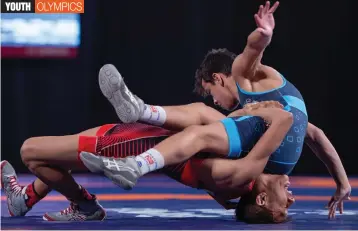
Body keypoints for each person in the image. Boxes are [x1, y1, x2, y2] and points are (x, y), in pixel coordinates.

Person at [85, 0, 351, 220]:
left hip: (264, 154)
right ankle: (140, 115)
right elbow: (315, 136)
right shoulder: (255, 102)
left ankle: (141, 123)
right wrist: (342, 182)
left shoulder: (244, 76)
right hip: (266, 151)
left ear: (219, 78)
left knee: (203, 119)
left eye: (212, 92)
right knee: (204, 119)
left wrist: (264, 36)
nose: (217, 101)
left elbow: (251, 51)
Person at [2, 101, 294, 223]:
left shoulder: (241, 174)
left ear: (264, 200)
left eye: (284, 207)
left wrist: (263, 109)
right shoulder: (239, 180)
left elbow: (285, 118)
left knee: (30, 151)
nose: (292, 199)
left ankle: (85, 205)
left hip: (132, 145)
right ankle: (25, 200)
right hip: (140, 137)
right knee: (56, 158)